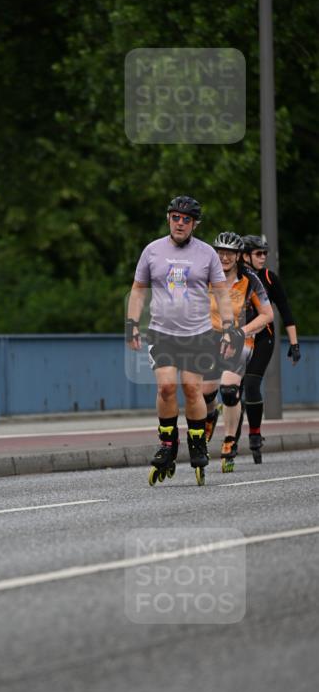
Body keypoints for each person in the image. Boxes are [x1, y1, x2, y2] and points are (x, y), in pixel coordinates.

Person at [127, 195, 237, 486]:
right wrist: (132, 324)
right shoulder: (152, 251)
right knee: (165, 388)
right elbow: (138, 289)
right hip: (162, 332)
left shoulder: (207, 254)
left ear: (194, 224)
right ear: (168, 219)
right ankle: (168, 444)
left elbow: (222, 293)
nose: (179, 223)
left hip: (197, 334)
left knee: (191, 388)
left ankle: (198, 444)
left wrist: (227, 326)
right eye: (175, 217)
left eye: (186, 219)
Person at [201, 232, 273, 472]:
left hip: (239, 340)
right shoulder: (205, 276)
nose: (224, 257)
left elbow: (267, 315)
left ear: (238, 256)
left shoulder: (250, 279)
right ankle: (210, 415)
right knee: (205, 392)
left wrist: (242, 331)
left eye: (229, 253)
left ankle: (230, 439)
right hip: (210, 337)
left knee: (230, 391)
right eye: (220, 252)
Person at [237, 234, 301, 462]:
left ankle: (255, 434)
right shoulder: (235, 277)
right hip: (239, 339)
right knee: (234, 390)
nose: (263, 257)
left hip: (265, 338)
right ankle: (231, 438)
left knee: (252, 385)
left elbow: (285, 311)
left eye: (265, 253)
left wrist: (294, 344)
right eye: (258, 253)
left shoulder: (269, 278)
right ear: (245, 256)